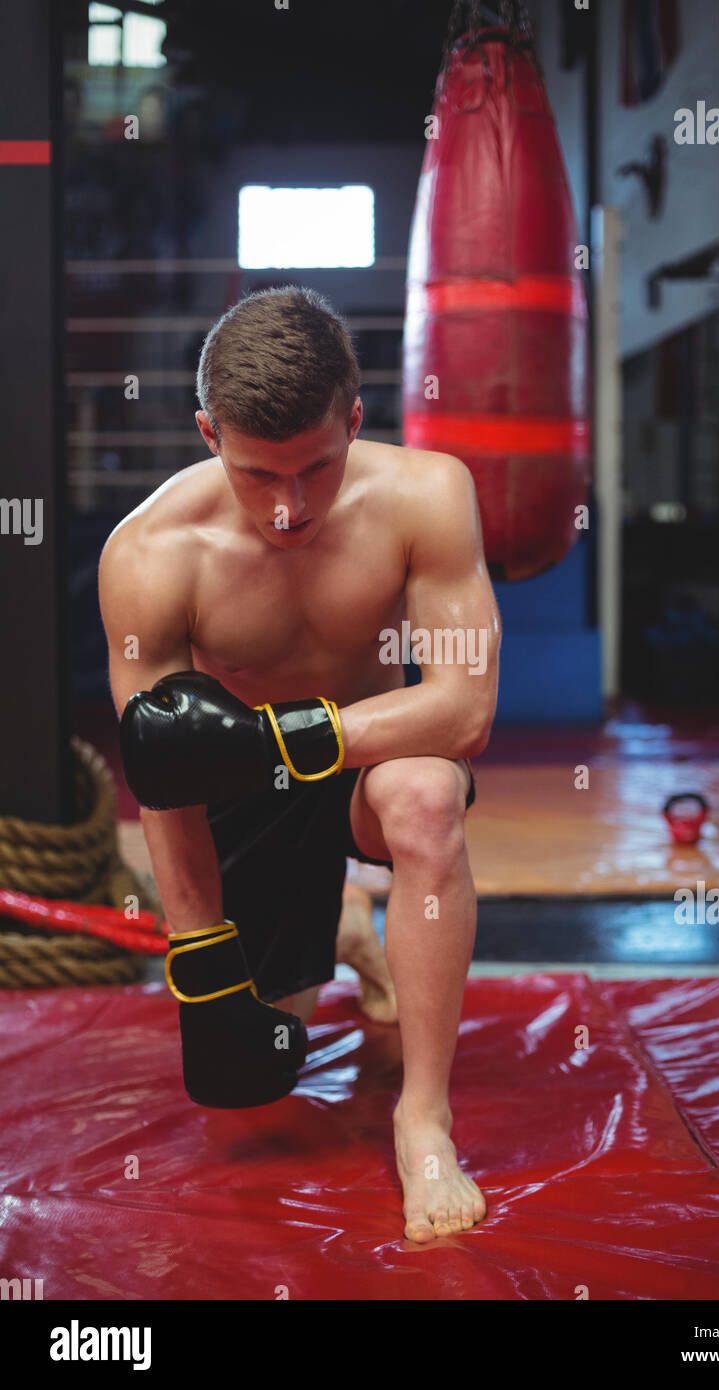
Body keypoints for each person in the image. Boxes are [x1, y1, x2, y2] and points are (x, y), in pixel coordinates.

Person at [98, 285, 500, 1243]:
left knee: (427, 797)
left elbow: (464, 706)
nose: (288, 508)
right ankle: (352, 932)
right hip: (238, 796)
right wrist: (198, 964)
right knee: (254, 1082)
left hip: (374, 761)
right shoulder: (149, 555)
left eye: (318, 468)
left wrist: (290, 739)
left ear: (355, 419)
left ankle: (424, 1120)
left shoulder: (429, 494)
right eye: (255, 474)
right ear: (208, 432)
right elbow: (165, 774)